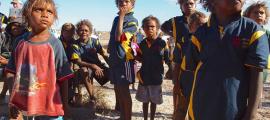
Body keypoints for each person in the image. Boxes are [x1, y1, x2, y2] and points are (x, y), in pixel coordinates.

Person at [185, 0, 269, 119]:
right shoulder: (200, 33)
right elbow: (190, 70)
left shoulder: (254, 31)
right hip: (200, 110)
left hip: (234, 112)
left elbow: (257, 74)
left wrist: (251, 115)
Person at [6, 0, 73, 119]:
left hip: (50, 107)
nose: (45, 14)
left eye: (50, 12)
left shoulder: (55, 44)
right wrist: (12, 101)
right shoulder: (20, 43)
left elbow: (63, 78)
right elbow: (11, 73)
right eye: (38, 10)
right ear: (27, 14)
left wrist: (66, 106)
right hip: (23, 105)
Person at [161, 0, 197, 119]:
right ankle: (176, 111)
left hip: (197, 61)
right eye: (186, 4)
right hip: (179, 58)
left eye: (191, 3)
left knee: (196, 89)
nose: (189, 6)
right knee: (178, 87)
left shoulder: (201, 19)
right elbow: (163, 27)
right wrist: (173, 34)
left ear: (195, 5)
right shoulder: (176, 21)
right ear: (181, 6)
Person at [108, 0, 138, 119]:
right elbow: (112, 38)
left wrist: (121, 16)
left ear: (132, 4)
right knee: (118, 90)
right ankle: (123, 116)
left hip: (124, 60)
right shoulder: (116, 19)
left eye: (127, 1)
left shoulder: (132, 21)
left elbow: (119, 37)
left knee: (124, 91)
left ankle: (128, 117)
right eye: (121, 1)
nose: (123, 3)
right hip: (115, 60)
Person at [135, 15, 169, 120]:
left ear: (157, 28)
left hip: (156, 77)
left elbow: (167, 58)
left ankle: (152, 118)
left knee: (153, 101)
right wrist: (133, 54)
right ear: (143, 29)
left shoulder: (162, 43)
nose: (149, 29)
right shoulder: (142, 44)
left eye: (152, 27)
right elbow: (140, 58)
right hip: (144, 76)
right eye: (147, 27)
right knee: (145, 101)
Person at [70, 19, 109, 104]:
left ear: (90, 32)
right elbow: (78, 61)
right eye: (81, 30)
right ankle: (92, 98)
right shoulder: (75, 45)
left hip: (99, 67)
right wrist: (93, 66)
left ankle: (119, 103)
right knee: (85, 71)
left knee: (115, 74)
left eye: (86, 30)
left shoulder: (95, 42)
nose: (84, 32)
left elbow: (104, 54)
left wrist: (112, 66)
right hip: (86, 68)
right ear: (77, 32)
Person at [0, 21, 27, 104]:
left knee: (10, 71)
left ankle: (7, 96)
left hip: (22, 66)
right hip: (7, 62)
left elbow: (24, 57)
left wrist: (7, 61)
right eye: (13, 26)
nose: (15, 28)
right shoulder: (6, 37)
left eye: (18, 26)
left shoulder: (25, 39)